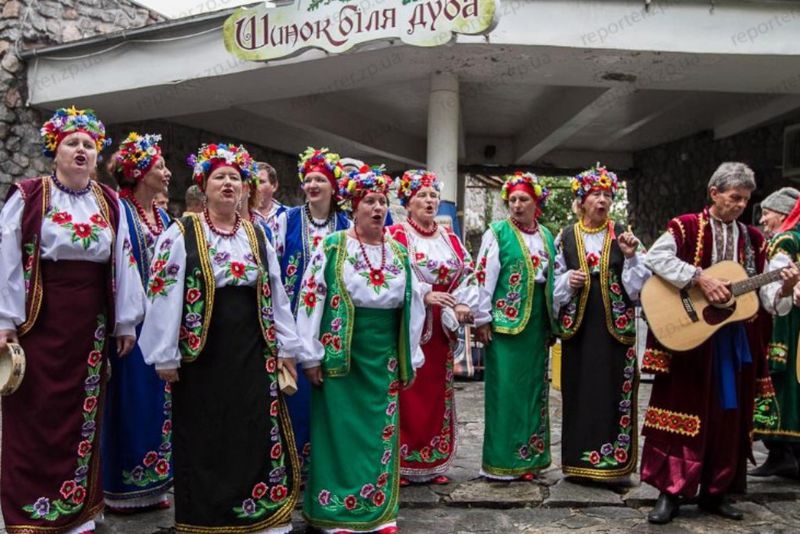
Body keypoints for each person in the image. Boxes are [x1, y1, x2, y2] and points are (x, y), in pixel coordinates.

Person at [138, 143, 304, 534]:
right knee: (205, 430)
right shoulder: (182, 232)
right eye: (219, 177)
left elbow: (275, 291)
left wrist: (286, 346)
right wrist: (165, 355)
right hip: (202, 352)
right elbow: (163, 291)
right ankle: (207, 517)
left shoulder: (255, 233)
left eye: (235, 177)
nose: (228, 184)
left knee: (250, 426)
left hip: (251, 345)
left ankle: (258, 511)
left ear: (246, 187)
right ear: (203, 185)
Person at [0, 107, 145, 534]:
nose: (81, 150)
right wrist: (5, 320)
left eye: (89, 145)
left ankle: (77, 508)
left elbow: (124, 262)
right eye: (72, 144)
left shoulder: (110, 202)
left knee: (82, 414)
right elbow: (7, 259)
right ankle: (27, 511)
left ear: (97, 157)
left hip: (90, 325)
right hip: (39, 322)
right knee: (34, 413)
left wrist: (124, 323)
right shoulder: (28, 195)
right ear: (55, 151)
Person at [641, 162, 799, 524]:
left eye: (745, 200)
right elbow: (656, 257)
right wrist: (699, 278)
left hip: (734, 342)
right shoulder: (685, 227)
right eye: (734, 197)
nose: (741, 205)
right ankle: (671, 492)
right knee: (681, 413)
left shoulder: (755, 240)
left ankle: (717, 490)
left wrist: (787, 286)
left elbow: (769, 298)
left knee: (728, 417)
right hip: (689, 339)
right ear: (714, 193)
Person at [296, 166, 427, 534]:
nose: (377, 208)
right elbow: (311, 297)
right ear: (353, 207)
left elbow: (413, 302)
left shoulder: (399, 252)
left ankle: (377, 512)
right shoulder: (333, 246)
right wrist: (309, 354)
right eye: (369, 201)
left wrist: (410, 355)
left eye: (382, 201)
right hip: (341, 355)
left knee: (379, 431)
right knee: (339, 432)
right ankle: (336, 513)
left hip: (382, 356)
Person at [555, 164, 650, 481]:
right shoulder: (566, 236)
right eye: (595, 194)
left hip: (614, 331)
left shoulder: (624, 234)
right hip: (580, 329)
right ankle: (578, 465)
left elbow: (638, 289)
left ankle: (613, 465)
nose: (602, 200)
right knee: (580, 390)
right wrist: (569, 280)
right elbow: (551, 284)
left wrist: (632, 256)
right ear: (581, 200)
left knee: (613, 392)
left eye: (607, 194)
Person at [388, 170, 478, 486]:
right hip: (411, 326)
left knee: (438, 391)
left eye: (432, 195)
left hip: (441, 329)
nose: (429, 201)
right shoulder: (396, 236)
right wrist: (424, 294)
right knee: (408, 390)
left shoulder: (449, 238)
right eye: (421, 196)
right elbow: (392, 277)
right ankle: (402, 461)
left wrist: (464, 304)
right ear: (407, 202)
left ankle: (432, 459)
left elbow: (468, 276)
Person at [102, 132, 174, 512]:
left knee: (158, 402)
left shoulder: (162, 215)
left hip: (161, 325)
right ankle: (120, 488)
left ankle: (154, 484)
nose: (167, 172)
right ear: (140, 172)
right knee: (129, 400)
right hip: (132, 324)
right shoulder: (119, 210)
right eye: (160, 166)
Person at [474, 172, 559, 481]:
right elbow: (484, 276)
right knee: (505, 391)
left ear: (536, 203)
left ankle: (529, 459)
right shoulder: (497, 233)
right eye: (513, 200)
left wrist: (553, 321)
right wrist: (482, 318)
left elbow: (554, 278)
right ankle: (501, 463)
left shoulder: (548, 235)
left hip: (537, 322)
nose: (518, 205)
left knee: (534, 392)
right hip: (507, 324)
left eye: (524, 199)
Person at [273, 147, 351, 475]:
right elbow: (274, 272)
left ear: (334, 187)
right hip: (293, 322)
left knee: (332, 397)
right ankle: (295, 466)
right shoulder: (286, 220)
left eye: (321, 179)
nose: (313, 185)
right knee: (296, 396)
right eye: (308, 179)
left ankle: (327, 465)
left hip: (334, 323)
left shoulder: (347, 225)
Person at [751, 195, 800, 477]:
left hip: (782, 324)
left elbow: (775, 287)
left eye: (767, 213)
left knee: (775, 383)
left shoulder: (784, 242)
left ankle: (780, 452)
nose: (762, 220)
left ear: (782, 214)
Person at [255, 161, 287, 235]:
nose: (255, 186)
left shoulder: (289, 215)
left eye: (261, 182)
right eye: (253, 181)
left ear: (274, 186)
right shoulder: (241, 215)